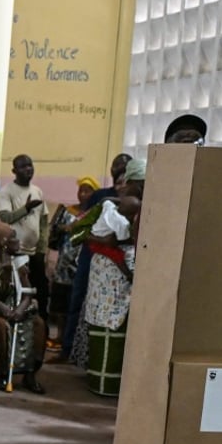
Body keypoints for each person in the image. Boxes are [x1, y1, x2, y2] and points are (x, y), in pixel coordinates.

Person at [81, 159, 145, 395]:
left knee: (110, 323)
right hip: (113, 271)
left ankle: (105, 380)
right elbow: (110, 241)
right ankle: (106, 383)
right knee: (110, 323)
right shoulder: (131, 201)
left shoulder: (118, 201)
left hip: (110, 267)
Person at [59, 153, 130, 362]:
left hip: (119, 262)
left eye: (124, 167)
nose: (118, 169)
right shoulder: (101, 196)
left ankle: (98, 358)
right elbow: (84, 225)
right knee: (78, 299)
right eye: (116, 165)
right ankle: (68, 349)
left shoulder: (132, 199)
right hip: (91, 255)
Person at [0, 220, 47, 394]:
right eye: (12, 238)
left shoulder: (19, 262)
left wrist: (20, 309)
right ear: (2, 242)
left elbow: (28, 291)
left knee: (39, 324)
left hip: (16, 307)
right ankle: (4, 374)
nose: (17, 241)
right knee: (1, 326)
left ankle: (30, 374)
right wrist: (1, 307)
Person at [47, 176, 98, 349]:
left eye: (87, 191)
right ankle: (59, 338)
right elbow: (55, 230)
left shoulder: (95, 213)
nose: (83, 194)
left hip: (81, 265)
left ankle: (73, 342)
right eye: (81, 190)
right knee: (60, 303)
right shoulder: (68, 211)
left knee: (75, 303)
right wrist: (65, 228)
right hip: (64, 264)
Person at [0, 154, 50, 324]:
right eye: (23, 166)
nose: (28, 169)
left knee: (40, 293)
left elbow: (43, 222)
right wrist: (26, 208)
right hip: (16, 253)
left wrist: (42, 250)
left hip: (35, 254)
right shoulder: (6, 192)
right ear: (14, 171)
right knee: (19, 294)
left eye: (30, 165)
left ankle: (39, 333)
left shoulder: (37, 191)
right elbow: (5, 218)